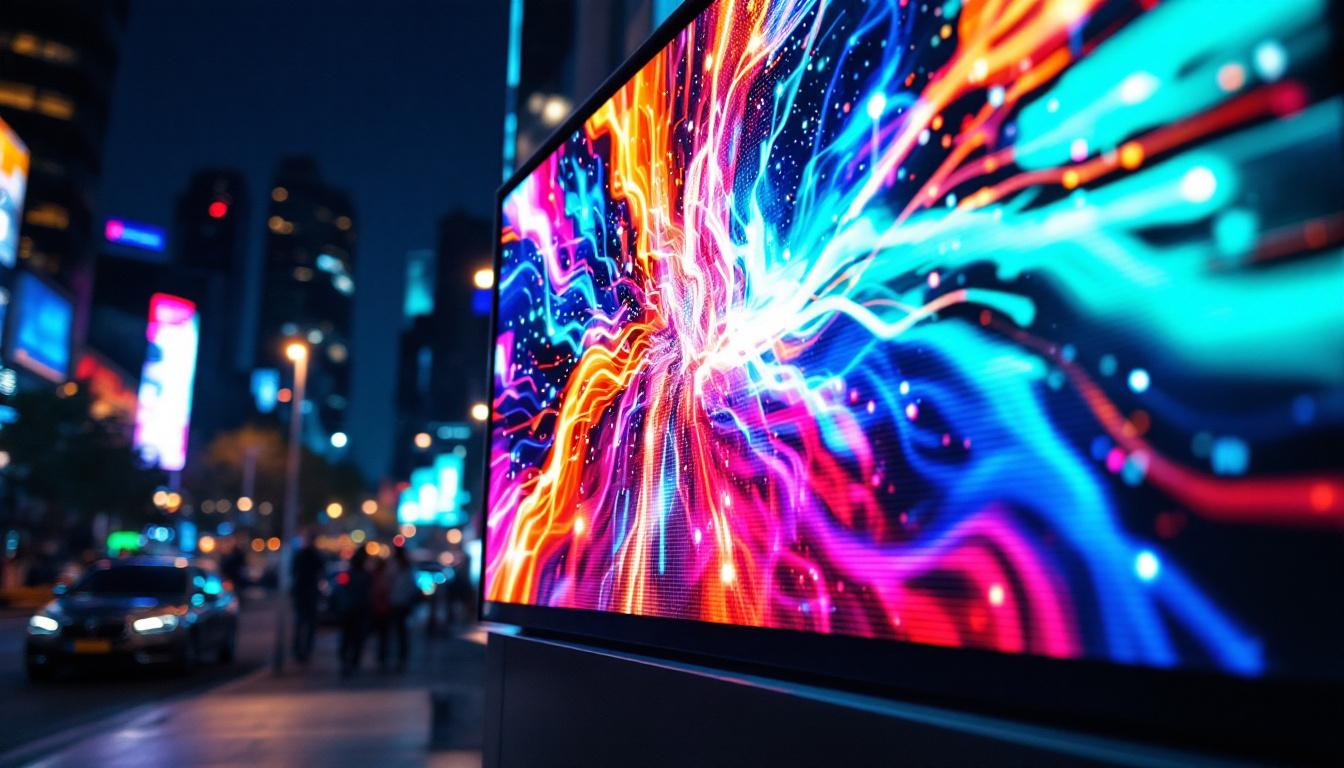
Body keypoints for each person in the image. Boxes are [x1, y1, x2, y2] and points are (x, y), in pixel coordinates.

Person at [378, 546, 417, 672]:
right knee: (400, 633)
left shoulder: (394, 567)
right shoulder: (406, 569)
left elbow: (385, 584)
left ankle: (388, 658)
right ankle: (397, 658)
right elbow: (412, 587)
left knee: (391, 633)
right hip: (399, 604)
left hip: (395, 604)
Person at [290, 529, 325, 663]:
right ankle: (304, 650)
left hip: (304, 592)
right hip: (308, 592)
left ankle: (300, 650)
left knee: (302, 623)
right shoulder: (313, 555)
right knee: (307, 623)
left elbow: (294, 571)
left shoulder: (302, 555)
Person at [338, 548, 373, 676]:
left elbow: (341, 591)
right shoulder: (365, 576)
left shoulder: (350, 575)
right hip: (358, 610)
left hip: (350, 609)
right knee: (355, 638)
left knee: (348, 637)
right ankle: (352, 662)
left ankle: (347, 661)